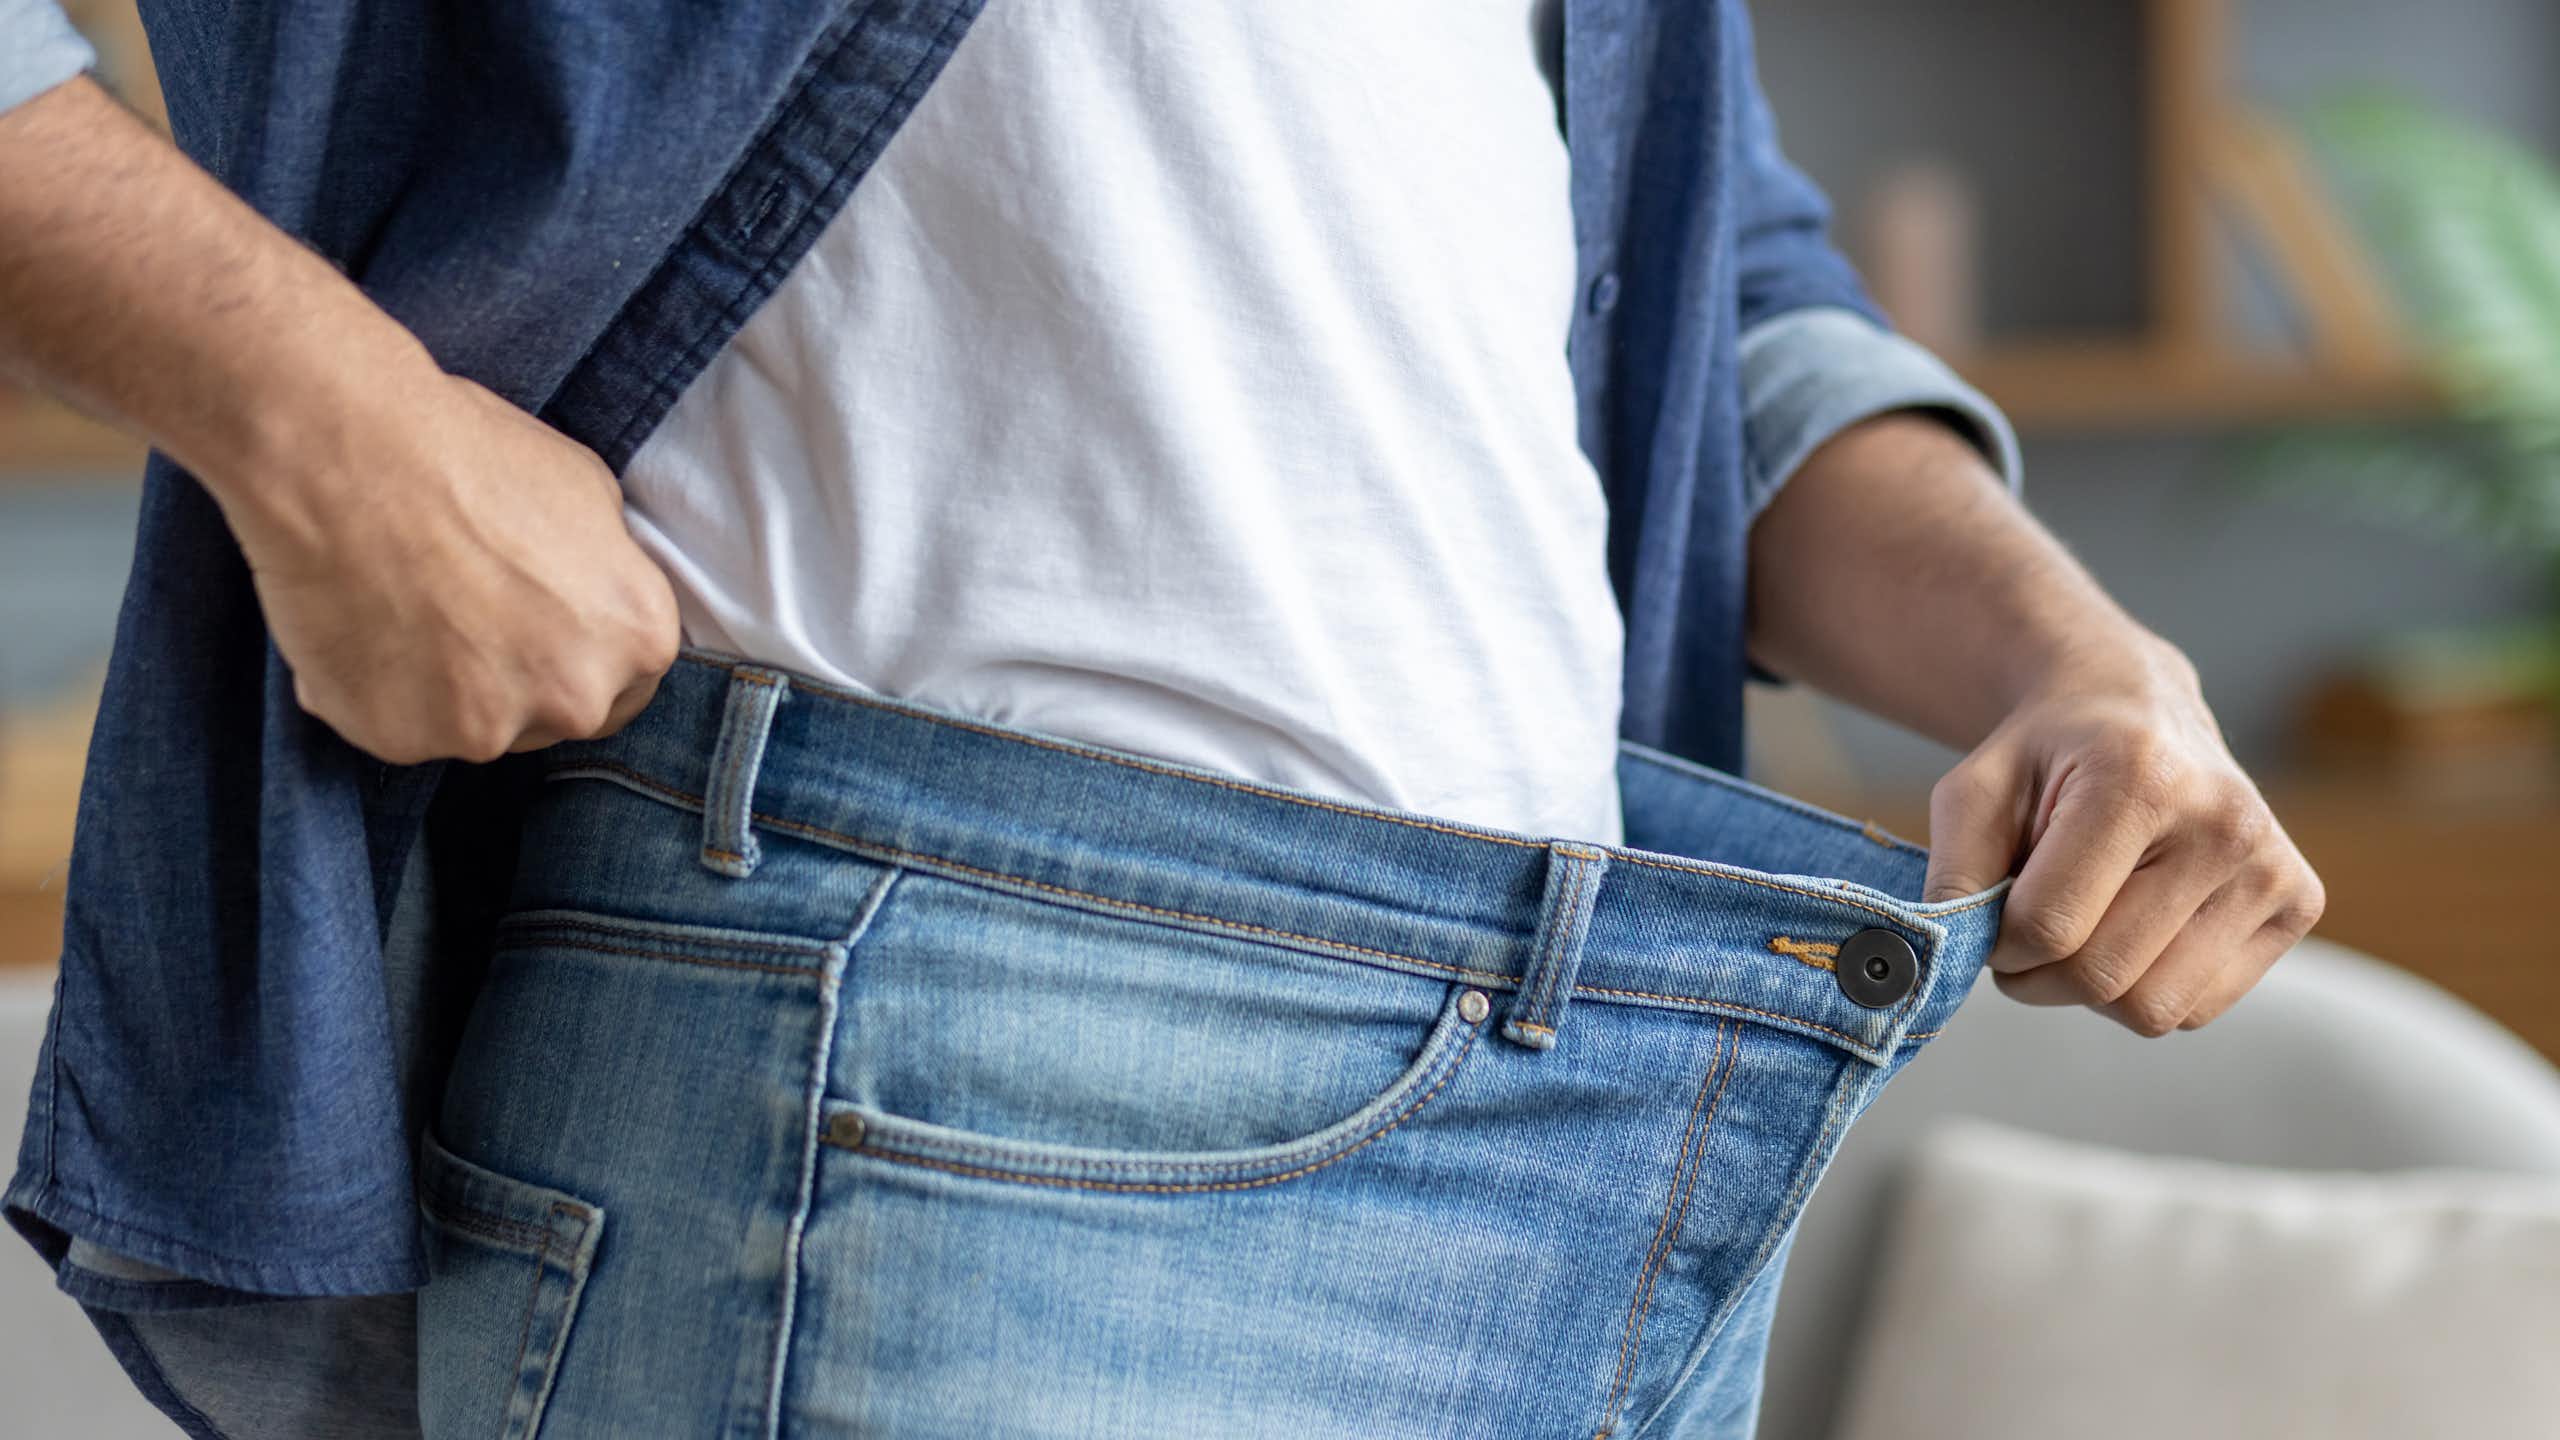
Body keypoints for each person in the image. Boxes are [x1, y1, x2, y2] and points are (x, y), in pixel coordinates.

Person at [1, 1, 2325, 1435]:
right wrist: (324, 422)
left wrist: (2059, 651)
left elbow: (1676, 257)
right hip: (942, 1029)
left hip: (1615, 1062)